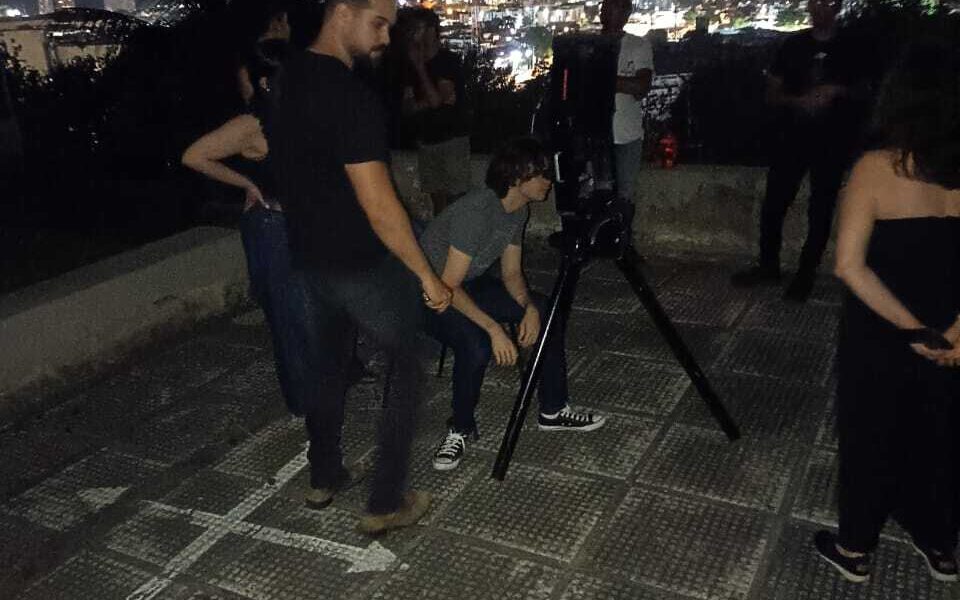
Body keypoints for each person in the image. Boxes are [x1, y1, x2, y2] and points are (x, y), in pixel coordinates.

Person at [267, 0, 453, 535]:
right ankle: (385, 502)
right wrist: (426, 275)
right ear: (343, 11)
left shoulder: (288, 77)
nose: (385, 38)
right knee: (406, 366)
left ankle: (323, 475)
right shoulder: (351, 96)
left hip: (308, 257)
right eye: (378, 24)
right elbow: (379, 205)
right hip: (360, 262)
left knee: (328, 368)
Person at [817, 36, 960, 583]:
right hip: (952, 329)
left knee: (871, 431)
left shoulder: (876, 168)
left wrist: (916, 330)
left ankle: (854, 547)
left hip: (883, 329)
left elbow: (849, 266)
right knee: (941, 430)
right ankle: (941, 544)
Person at [419, 137, 607, 471]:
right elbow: (447, 287)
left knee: (546, 309)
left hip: (466, 283)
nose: (549, 181)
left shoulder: (518, 210)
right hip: (427, 295)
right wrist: (494, 329)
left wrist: (528, 307)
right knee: (477, 344)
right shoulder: (477, 211)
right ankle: (460, 428)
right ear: (518, 177)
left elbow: (511, 273)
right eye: (542, 174)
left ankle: (553, 409)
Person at [182, 40, 320, 417]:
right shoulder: (251, 124)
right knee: (293, 323)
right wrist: (247, 182)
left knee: (317, 316)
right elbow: (194, 156)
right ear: (267, 83)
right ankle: (308, 409)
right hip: (276, 231)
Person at [731, 0, 866, 301]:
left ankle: (806, 273)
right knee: (774, 204)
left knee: (821, 209)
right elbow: (772, 93)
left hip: (833, 142)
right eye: (814, 3)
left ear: (837, 8)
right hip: (791, 139)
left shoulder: (853, 47)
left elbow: (867, 91)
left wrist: (835, 91)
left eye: (825, 4)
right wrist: (798, 102)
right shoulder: (793, 46)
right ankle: (769, 266)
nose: (818, 9)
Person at [395, 7, 471, 216]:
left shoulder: (447, 60)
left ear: (431, 30)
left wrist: (421, 69)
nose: (413, 35)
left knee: (456, 200)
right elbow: (408, 106)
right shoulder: (409, 66)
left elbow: (436, 101)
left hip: (451, 139)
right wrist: (429, 101)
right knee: (437, 201)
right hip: (427, 141)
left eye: (417, 29)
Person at [600, 0, 653, 200]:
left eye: (615, 6)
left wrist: (600, 79)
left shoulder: (638, 45)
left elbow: (641, 87)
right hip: (593, 139)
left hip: (626, 138)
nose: (607, 11)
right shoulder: (589, 44)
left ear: (626, 13)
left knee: (624, 198)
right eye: (605, 6)